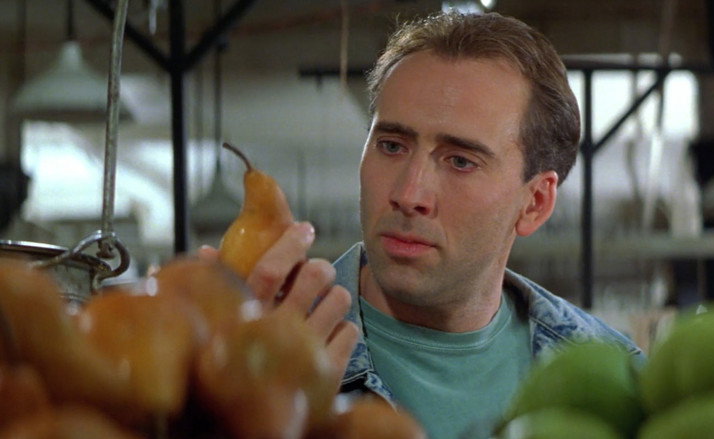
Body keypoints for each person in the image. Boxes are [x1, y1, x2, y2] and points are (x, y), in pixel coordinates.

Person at [209, 10, 641, 439]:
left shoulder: (623, 389)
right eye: (392, 146)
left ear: (535, 203)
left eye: (460, 161)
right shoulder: (247, 348)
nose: (409, 194)